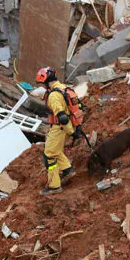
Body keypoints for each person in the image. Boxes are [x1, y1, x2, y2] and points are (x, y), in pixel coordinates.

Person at [36, 67, 81, 195]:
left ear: (46, 81)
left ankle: (54, 186)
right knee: (55, 150)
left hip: (60, 128)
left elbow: (62, 117)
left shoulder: (53, 95)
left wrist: (71, 132)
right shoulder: (63, 87)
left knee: (49, 155)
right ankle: (67, 170)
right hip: (65, 128)